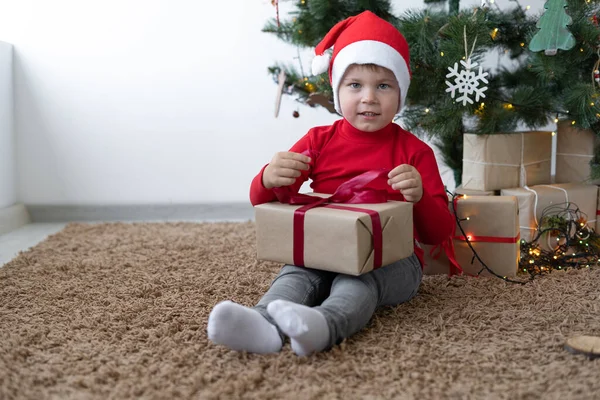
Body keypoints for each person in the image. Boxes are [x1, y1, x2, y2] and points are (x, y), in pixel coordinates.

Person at [207, 10, 454, 356]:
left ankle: (325, 325)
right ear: (337, 91)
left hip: (393, 262)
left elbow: (438, 233)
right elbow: (260, 196)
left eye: (383, 85)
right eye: (355, 85)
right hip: (322, 249)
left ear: (401, 94)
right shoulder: (319, 140)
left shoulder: (414, 152)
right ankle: (263, 325)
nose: (369, 97)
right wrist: (267, 176)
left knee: (358, 281)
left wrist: (419, 197)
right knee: (295, 273)